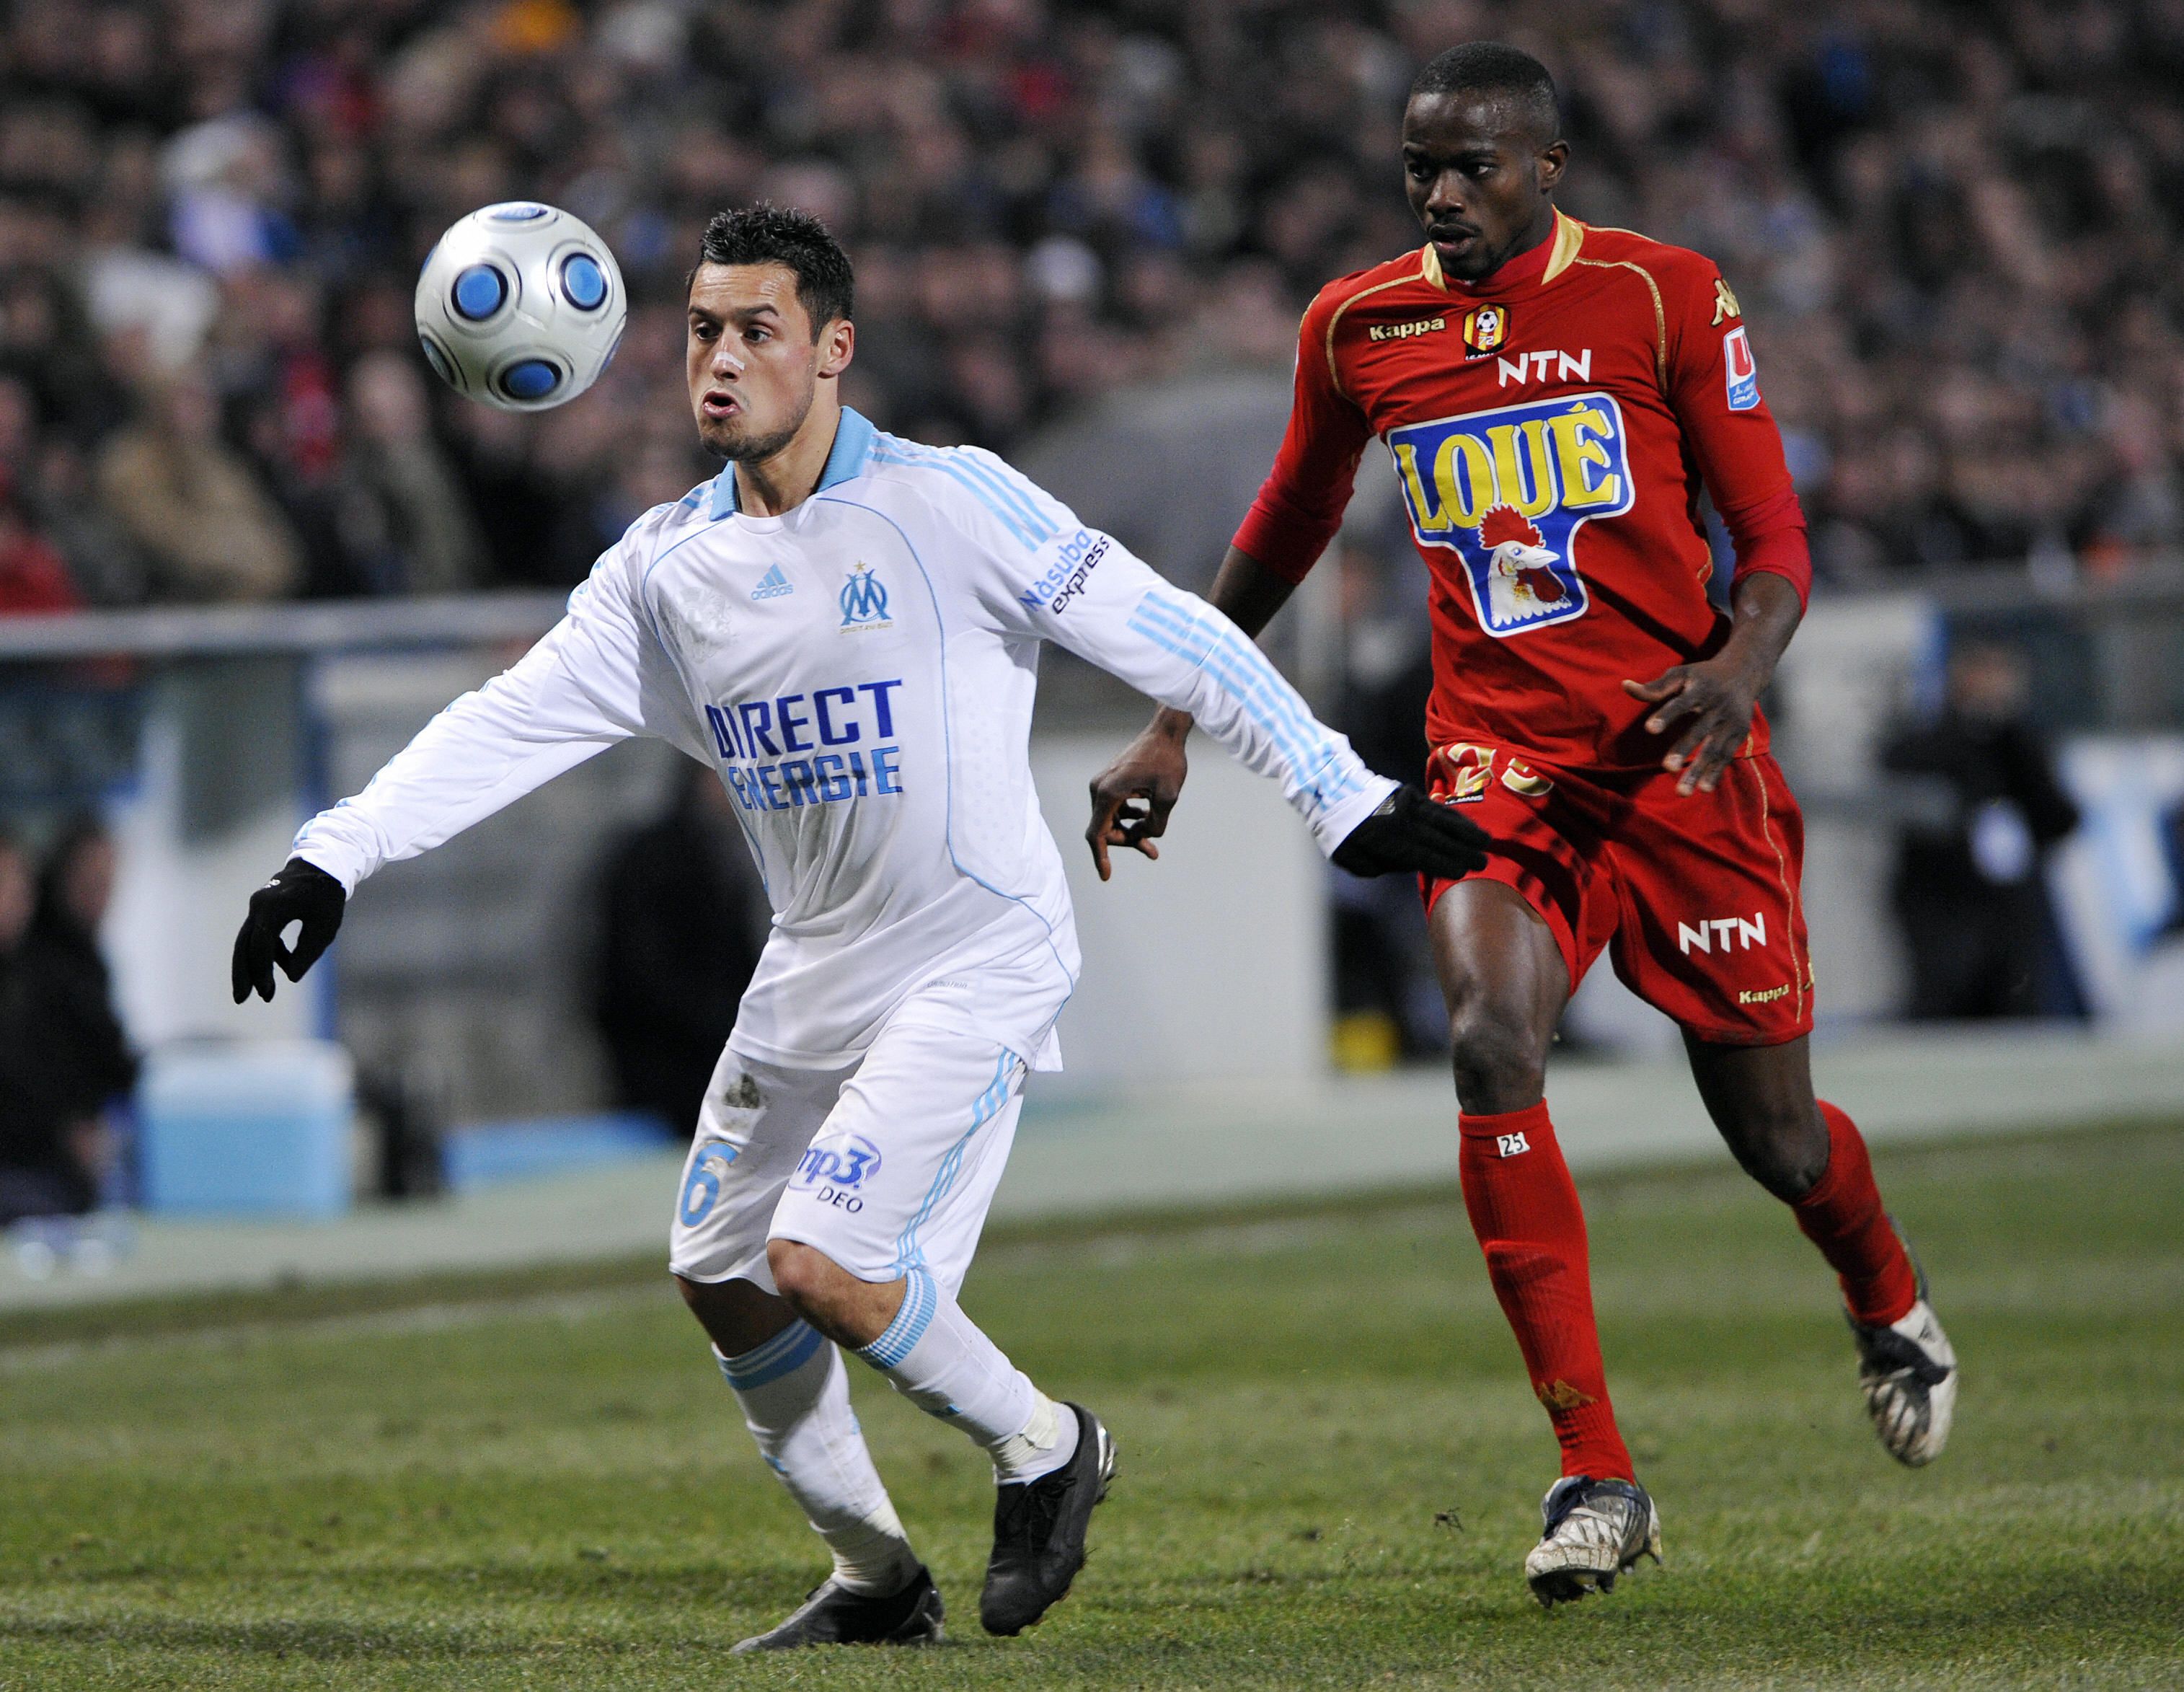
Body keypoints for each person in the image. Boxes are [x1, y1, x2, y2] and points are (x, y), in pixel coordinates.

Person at [230, 206, 1485, 1651]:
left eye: (756, 330)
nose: (720, 359)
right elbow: (499, 726)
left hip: (976, 951)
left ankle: (1047, 1448)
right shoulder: (662, 571)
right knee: (716, 1274)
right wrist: (327, 859)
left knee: (817, 1259)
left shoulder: (949, 503)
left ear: (832, 351)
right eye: (702, 329)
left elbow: (1172, 631)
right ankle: (878, 1582)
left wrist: (1335, 793)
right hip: (816, 967)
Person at [1087, 43, 1958, 1608]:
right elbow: (1284, 523)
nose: (1437, 194)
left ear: (1544, 168)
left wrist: (1735, 669)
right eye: (1415, 166)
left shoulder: (1658, 295)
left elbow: (1767, 532)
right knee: (1488, 1040)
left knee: (1772, 1137)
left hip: (1679, 769)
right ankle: (1592, 1469)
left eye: (1469, 165)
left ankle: (1879, 1288)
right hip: (1495, 765)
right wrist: (1170, 717)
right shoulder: (1356, 326)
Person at [1880, 641, 2080, 1018]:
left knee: (2015, 1007)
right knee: (1946, 1005)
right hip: (1944, 905)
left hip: (2009, 908)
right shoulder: (1929, 742)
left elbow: (2059, 816)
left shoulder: (2023, 745)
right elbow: (1903, 783)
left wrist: (2006, 734)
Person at [589, 762, 768, 1137]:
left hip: (719, 1051)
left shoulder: (737, 853)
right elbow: (639, 974)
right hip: (664, 1064)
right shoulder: (655, 859)